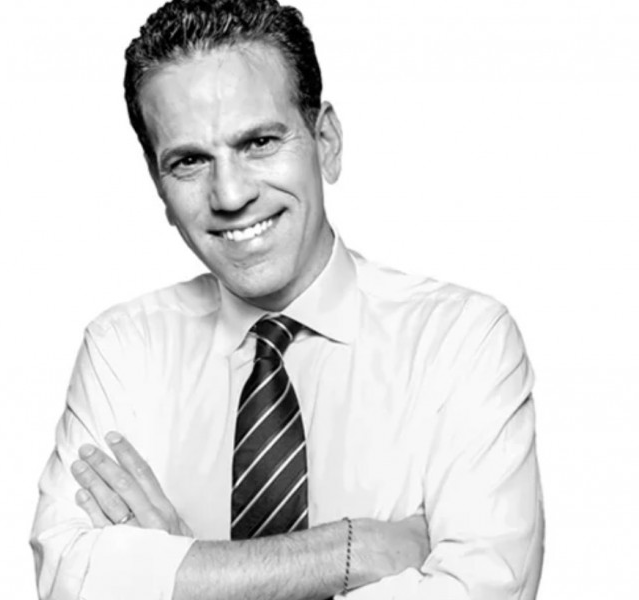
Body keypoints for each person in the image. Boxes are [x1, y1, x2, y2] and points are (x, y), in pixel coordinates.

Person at [30, 0, 544, 598]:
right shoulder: (124, 350)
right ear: (158, 185)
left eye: (259, 142)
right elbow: (72, 580)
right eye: (190, 161)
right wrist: (348, 550)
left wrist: (185, 572)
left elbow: (481, 591)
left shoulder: (463, 342)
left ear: (326, 141)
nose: (230, 195)